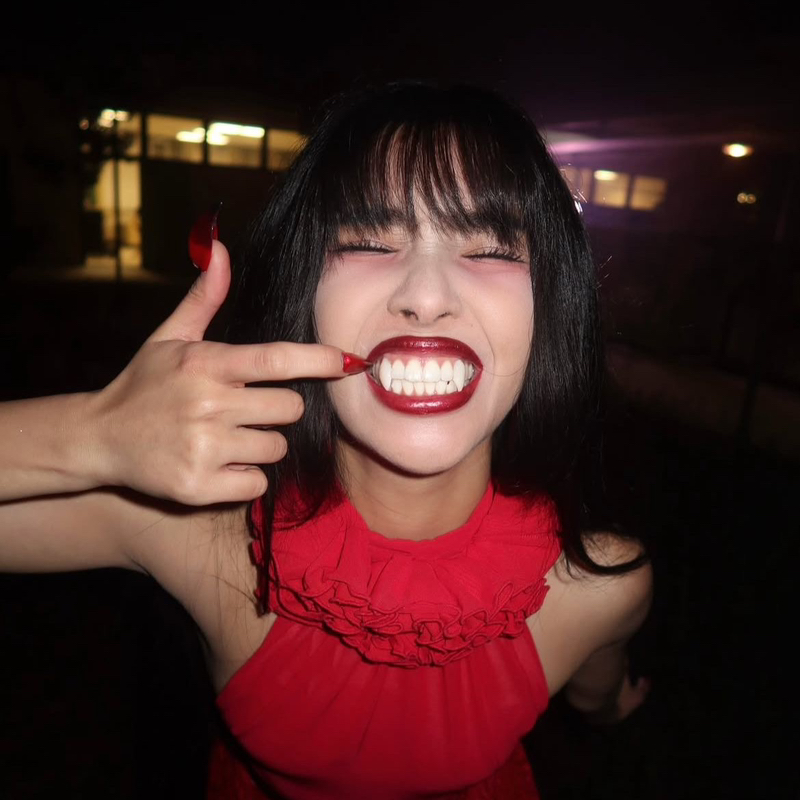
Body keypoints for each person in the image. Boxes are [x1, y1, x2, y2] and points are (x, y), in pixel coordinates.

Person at [0, 83, 652, 799]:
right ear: (305, 292)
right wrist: (93, 432)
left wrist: (614, 704)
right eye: (369, 241)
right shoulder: (209, 532)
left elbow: (600, 693)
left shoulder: (601, 586)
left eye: (491, 247)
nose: (426, 296)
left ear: (550, 305)